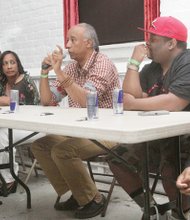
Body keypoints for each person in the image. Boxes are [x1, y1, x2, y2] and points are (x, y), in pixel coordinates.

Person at [31, 23, 120, 219]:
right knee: (40, 146)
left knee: (63, 150)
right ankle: (76, 193)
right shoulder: (72, 67)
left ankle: (93, 199)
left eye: (72, 40)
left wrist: (60, 73)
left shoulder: (102, 64)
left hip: (107, 131)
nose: (67, 45)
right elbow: (47, 100)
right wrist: (45, 71)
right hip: (80, 130)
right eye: (68, 40)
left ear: (88, 43)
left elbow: (87, 101)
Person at [108, 16, 190, 220]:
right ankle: (150, 207)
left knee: (170, 165)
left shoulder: (187, 62)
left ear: (171, 43)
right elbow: (130, 95)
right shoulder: (150, 68)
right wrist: (134, 63)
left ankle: (179, 212)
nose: (147, 43)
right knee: (118, 158)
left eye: (153, 39)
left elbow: (175, 103)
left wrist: (135, 103)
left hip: (185, 138)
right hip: (157, 135)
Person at [0, 50, 40, 196]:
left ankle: (10, 179)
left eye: (12, 62)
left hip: (33, 126)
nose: (9, 66)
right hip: (15, 124)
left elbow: (12, 100)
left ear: (18, 64)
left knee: (2, 134)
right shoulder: (4, 82)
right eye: (5, 64)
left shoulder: (25, 80)